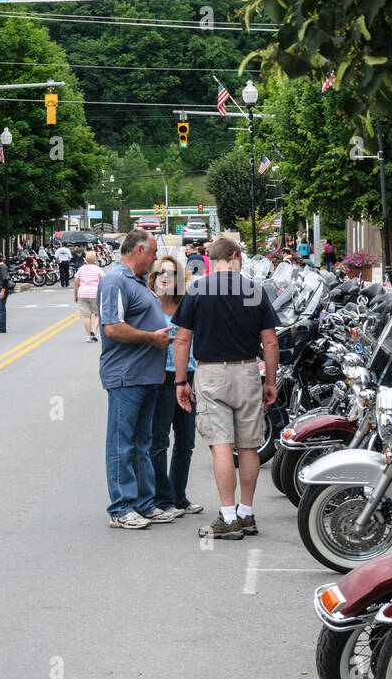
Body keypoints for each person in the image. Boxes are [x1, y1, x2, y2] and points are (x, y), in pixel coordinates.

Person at [172, 236, 280, 541]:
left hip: (210, 374)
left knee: (221, 444)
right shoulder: (252, 290)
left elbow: (182, 340)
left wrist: (181, 381)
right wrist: (270, 381)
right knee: (248, 446)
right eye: (241, 257)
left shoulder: (198, 290)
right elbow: (270, 341)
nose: (242, 261)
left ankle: (228, 516)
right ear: (232, 256)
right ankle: (246, 513)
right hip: (247, 370)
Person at [96, 228, 177, 529]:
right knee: (122, 444)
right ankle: (121, 507)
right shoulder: (116, 280)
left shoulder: (138, 281)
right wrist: (151, 339)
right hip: (126, 376)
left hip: (147, 376)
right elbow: (112, 327)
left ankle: (145, 503)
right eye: (153, 252)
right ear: (139, 250)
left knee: (142, 444)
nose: (155, 259)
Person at [148, 256, 202, 517]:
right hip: (160, 379)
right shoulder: (149, 307)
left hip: (187, 377)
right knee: (158, 442)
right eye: (160, 273)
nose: (165, 277)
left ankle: (179, 496)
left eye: (170, 273)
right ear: (154, 278)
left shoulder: (187, 305)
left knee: (186, 441)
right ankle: (162, 498)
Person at [74, 250, 103, 341]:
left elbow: (76, 284)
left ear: (86, 259)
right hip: (95, 293)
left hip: (82, 293)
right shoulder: (98, 269)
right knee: (98, 314)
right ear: (94, 259)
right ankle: (94, 330)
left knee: (87, 316)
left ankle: (89, 336)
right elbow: (103, 282)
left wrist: (76, 295)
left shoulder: (81, 269)